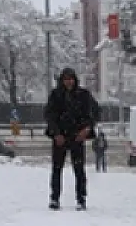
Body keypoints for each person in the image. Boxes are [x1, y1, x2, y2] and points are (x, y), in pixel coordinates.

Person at [44, 67, 99, 210]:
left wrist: (86, 129)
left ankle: (81, 199)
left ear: (75, 80)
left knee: (79, 169)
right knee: (57, 169)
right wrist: (56, 133)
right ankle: (54, 198)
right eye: (66, 79)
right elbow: (50, 116)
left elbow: (94, 113)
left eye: (71, 79)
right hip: (60, 137)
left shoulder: (83, 95)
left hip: (77, 137)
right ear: (62, 81)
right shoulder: (56, 96)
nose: (69, 82)